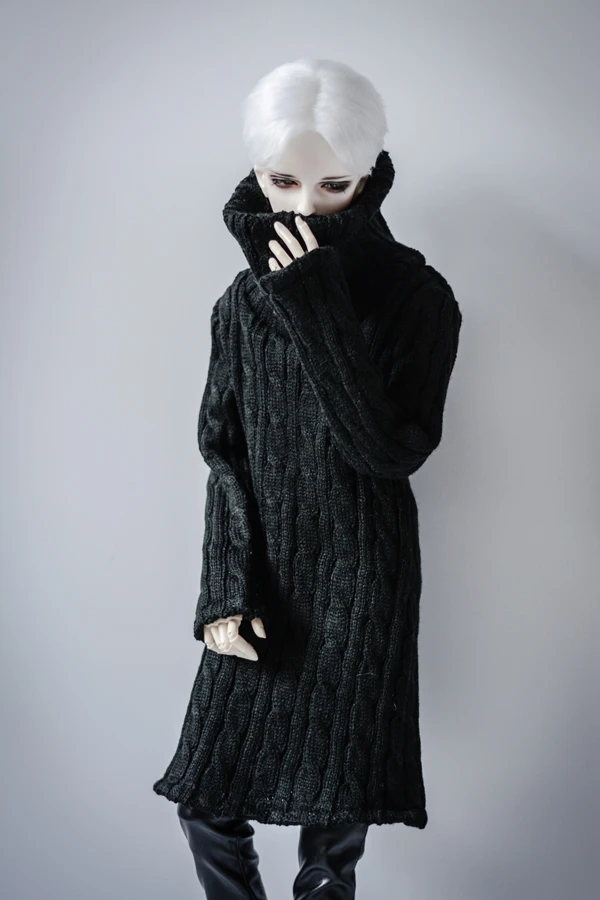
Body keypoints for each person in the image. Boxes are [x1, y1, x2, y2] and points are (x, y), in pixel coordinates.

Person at [153, 57, 463, 899]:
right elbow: (223, 452)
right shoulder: (238, 305)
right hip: (266, 578)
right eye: (282, 180)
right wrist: (223, 592)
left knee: (333, 830)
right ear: (256, 172)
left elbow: (389, 452)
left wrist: (319, 308)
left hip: (362, 580)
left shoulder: (417, 297)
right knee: (205, 803)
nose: (301, 209)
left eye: (332, 185)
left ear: (367, 179)